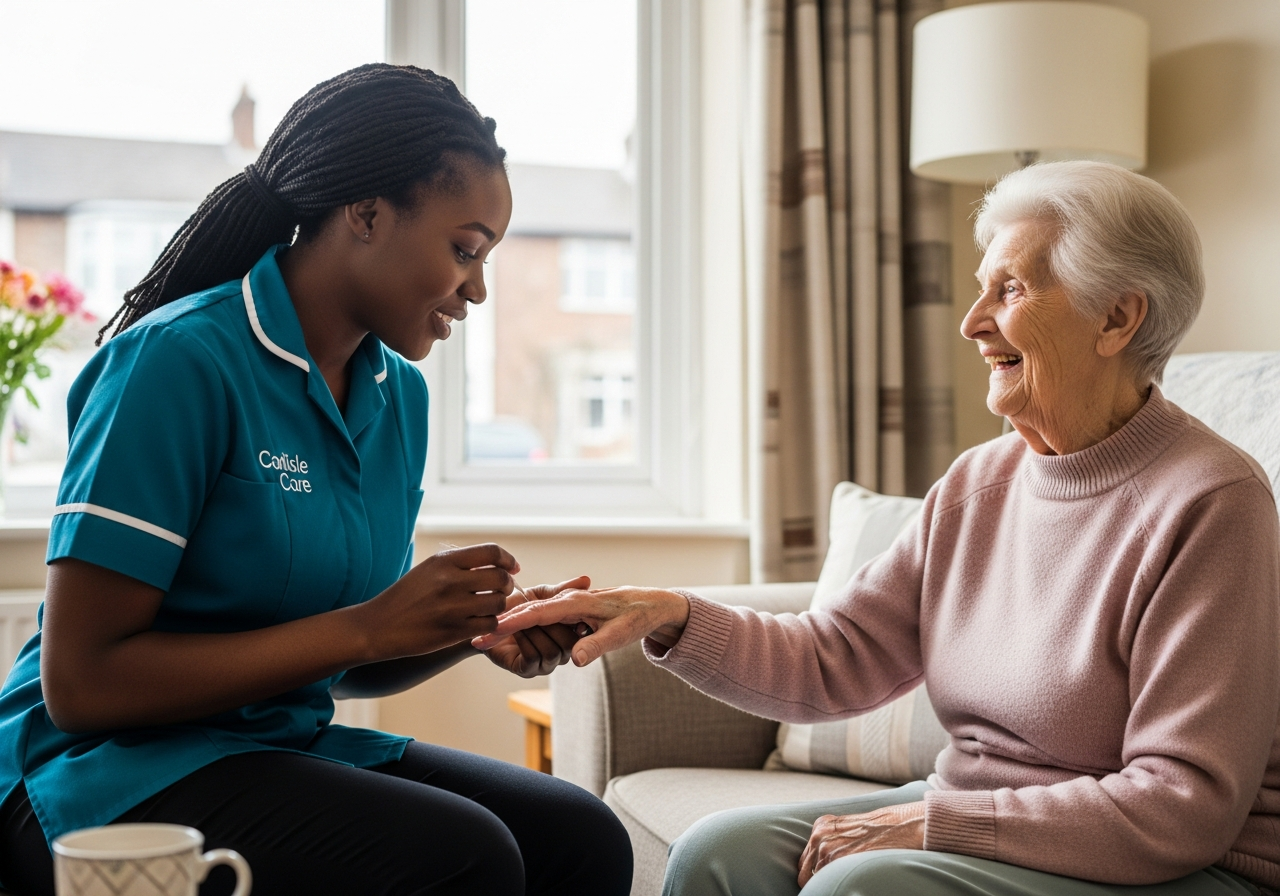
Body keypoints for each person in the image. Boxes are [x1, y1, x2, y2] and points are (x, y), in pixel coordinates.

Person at [476, 161, 1280, 896]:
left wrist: (935, 822)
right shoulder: (979, 483)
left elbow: (1182, 807)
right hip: (990, 816)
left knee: (857, 890)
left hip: (1176, 862)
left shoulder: (1211, 503)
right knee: (716, 853)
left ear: (1117, 318)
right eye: (979, 288)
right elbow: (835, 659)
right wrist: (667, 615)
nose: (971, 321)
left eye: (1009, 291)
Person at [0, 64, 632, 896]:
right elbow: (83, 686)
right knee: (465, 853)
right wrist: (369, 628)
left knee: (579, 835)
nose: (478, 289)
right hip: (97, 774)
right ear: (365, 214)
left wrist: (466, 629)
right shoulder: (177, 362)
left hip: (269, 745)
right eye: (465, 250)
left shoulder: (397, 396)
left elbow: (341, 659)